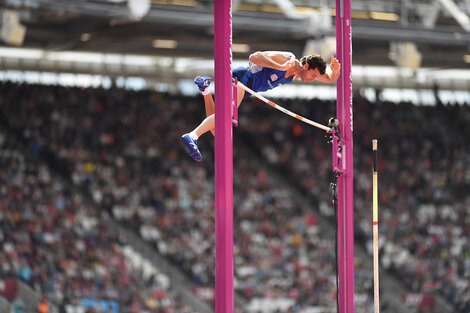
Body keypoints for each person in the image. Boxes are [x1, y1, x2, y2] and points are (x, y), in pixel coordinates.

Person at [181, 51, 341, 161]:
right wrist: (280, 66)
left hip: (247, 88)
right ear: (306, 66)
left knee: (220, 132)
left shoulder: (297, 74)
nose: (312, 80)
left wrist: (335, 73)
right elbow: (254, 57)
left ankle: (205, 89)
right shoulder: (288, 59)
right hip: (241, 79)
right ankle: (192, 136)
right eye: (312, 75)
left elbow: (328, 78)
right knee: (226, 118)